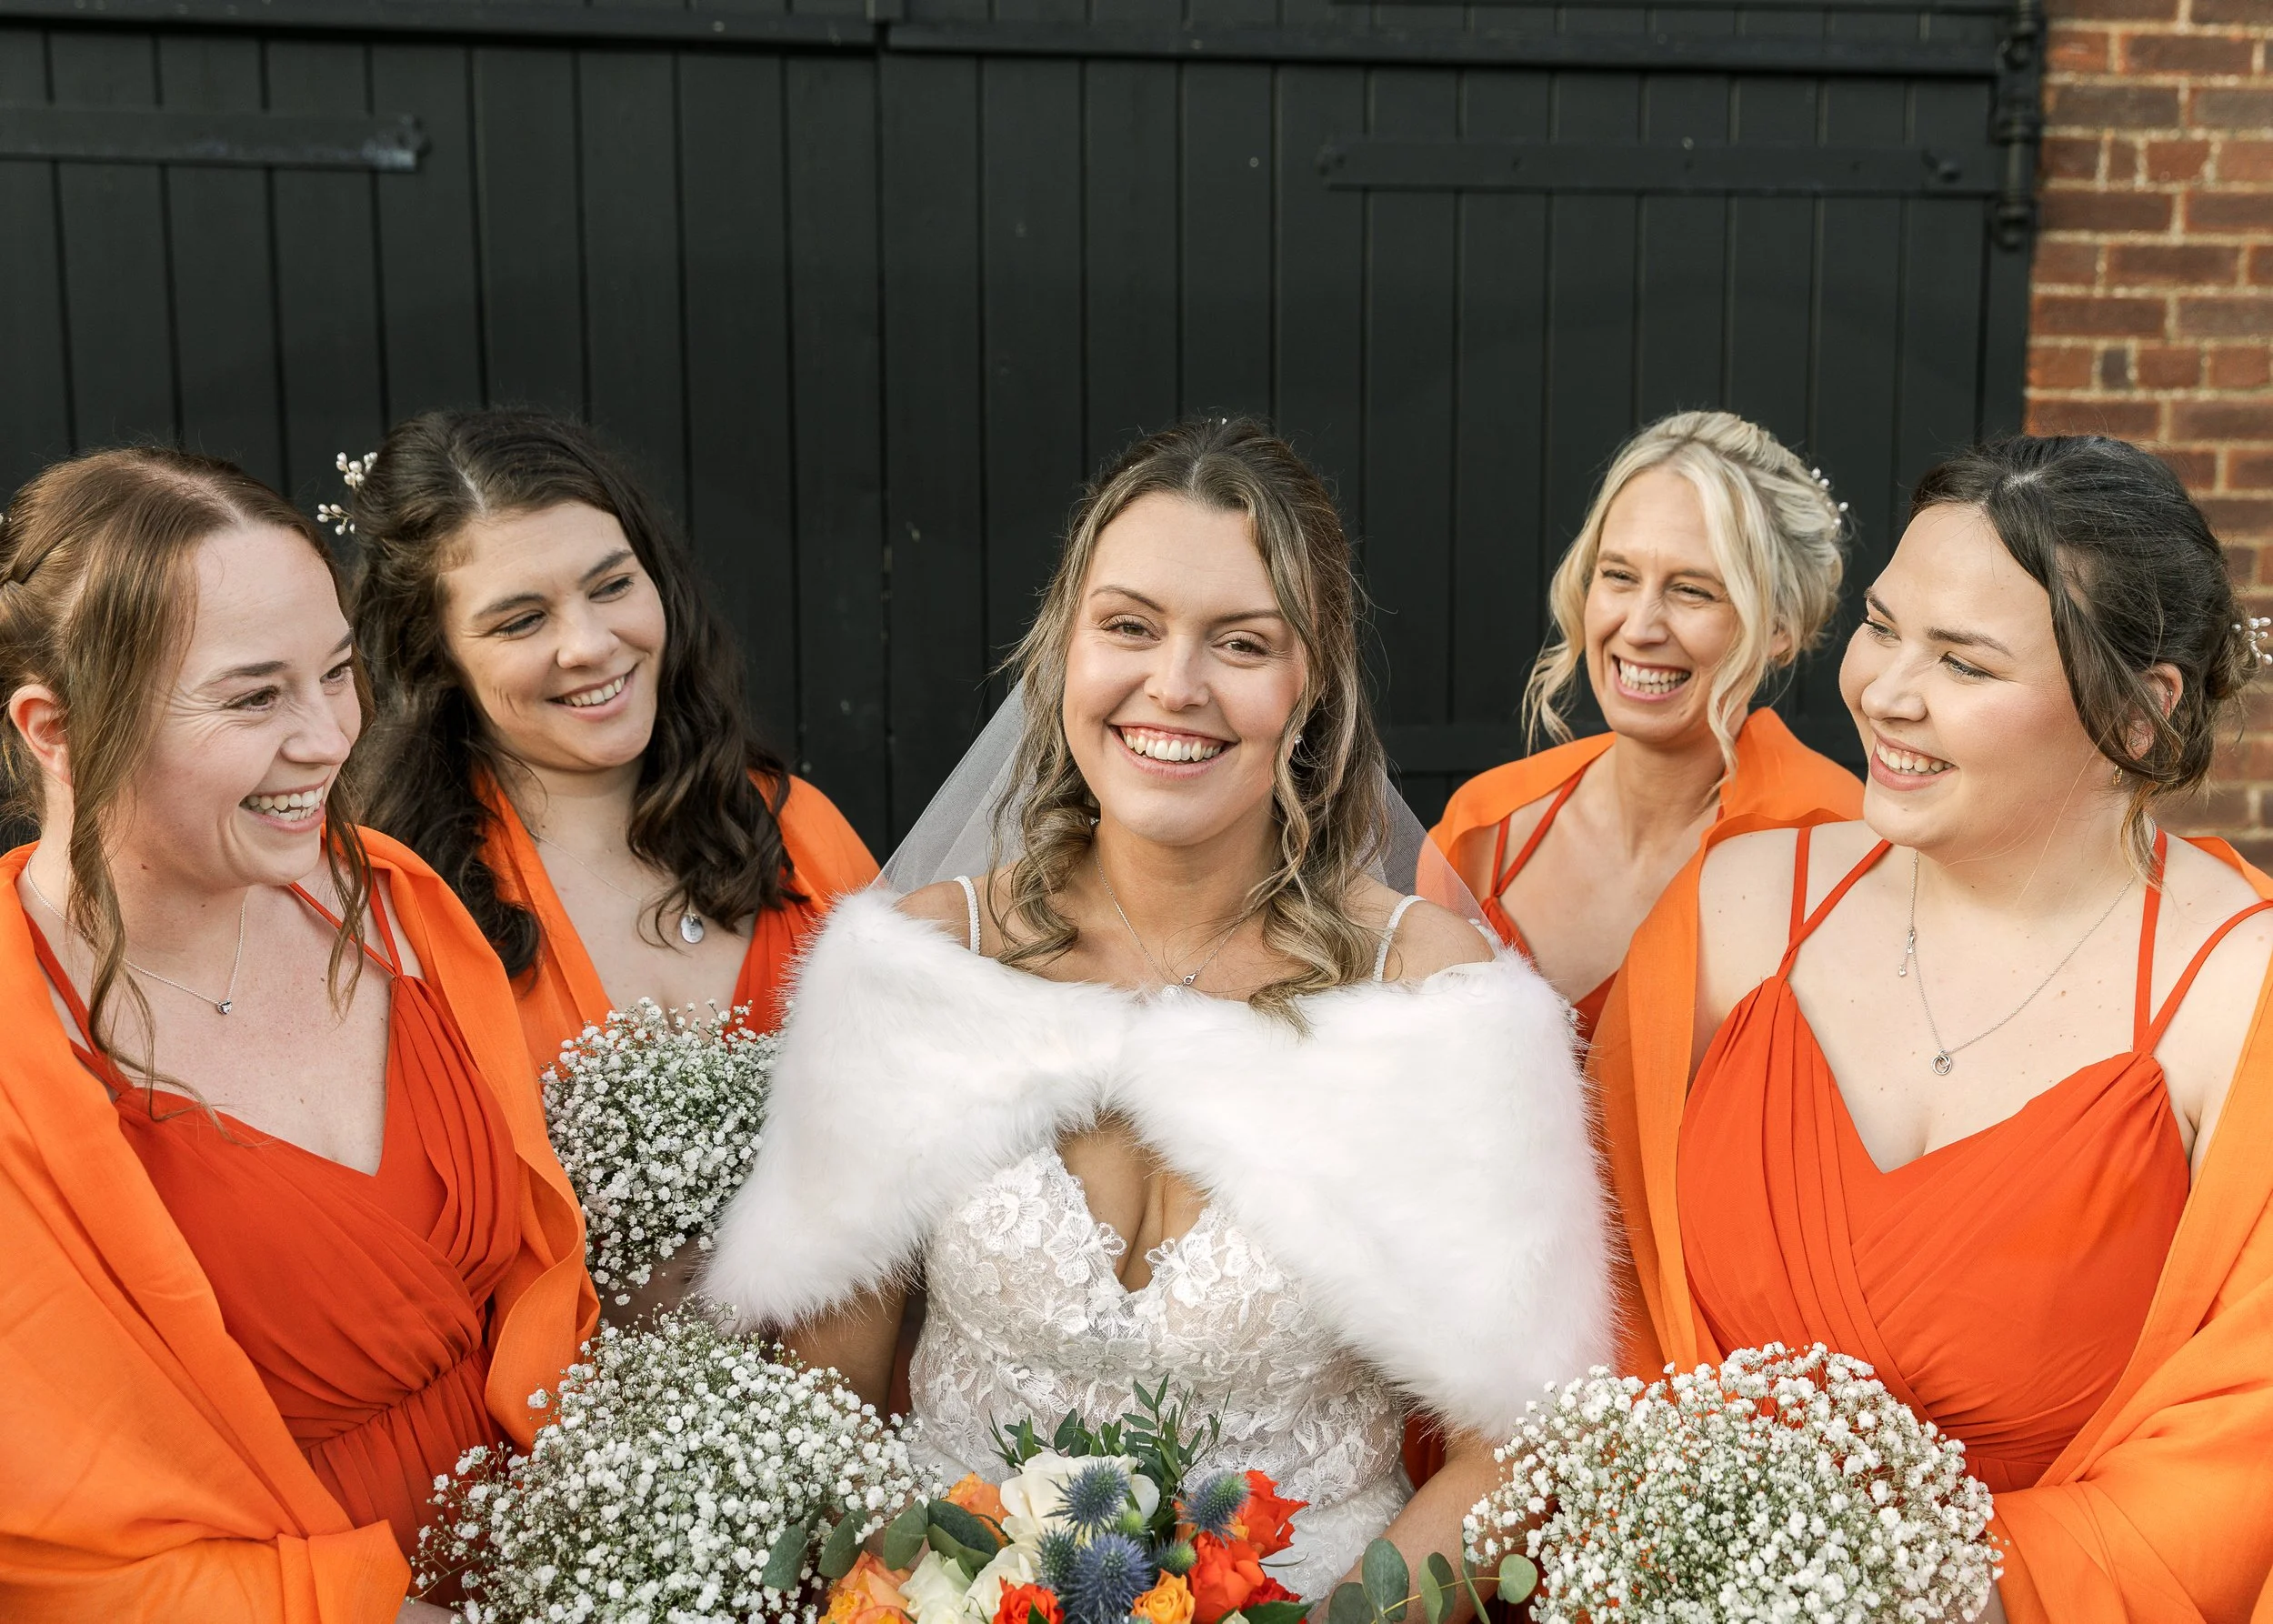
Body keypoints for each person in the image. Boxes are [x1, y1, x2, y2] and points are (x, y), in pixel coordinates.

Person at [701, 417, 1612, 1603]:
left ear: (1311, 682)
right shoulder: (920, 964)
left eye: (1239, 641)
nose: (1172, 684)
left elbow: (1517, 1438)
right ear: (1064, 650)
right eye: (1128, 626)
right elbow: (830, 1404)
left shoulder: (1434, 994)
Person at [1592, 435, 2273, 1621]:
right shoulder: (1736, 910)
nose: (1885, 691)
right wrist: (1679, 1553)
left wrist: (1879, 1588)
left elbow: (2239, 1441)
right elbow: (1605, 1283)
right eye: (1885, 626)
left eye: (1962, 662)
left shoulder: (2239, 992)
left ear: (2137, 710)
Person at [0, 448, 596, 1622]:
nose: (330, 738)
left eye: (336, 672)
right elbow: (58, 1545)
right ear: (56, 728)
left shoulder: (393, 898)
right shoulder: (20, 1056)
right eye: (254, 695)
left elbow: (534, 1282)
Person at [346, 411, 876, 1317]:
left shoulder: (802, 832)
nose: (589, 644)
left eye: (610, 585)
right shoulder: (394, 904)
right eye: (521, 620)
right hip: (554, 1423)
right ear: (437, 657)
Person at [1431, 411, 1860, 1047]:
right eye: (1620, 576)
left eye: (1692, 591)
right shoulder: (1488, 825)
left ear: (1778, 629)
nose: (1639, 627)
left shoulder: (1840, 842)